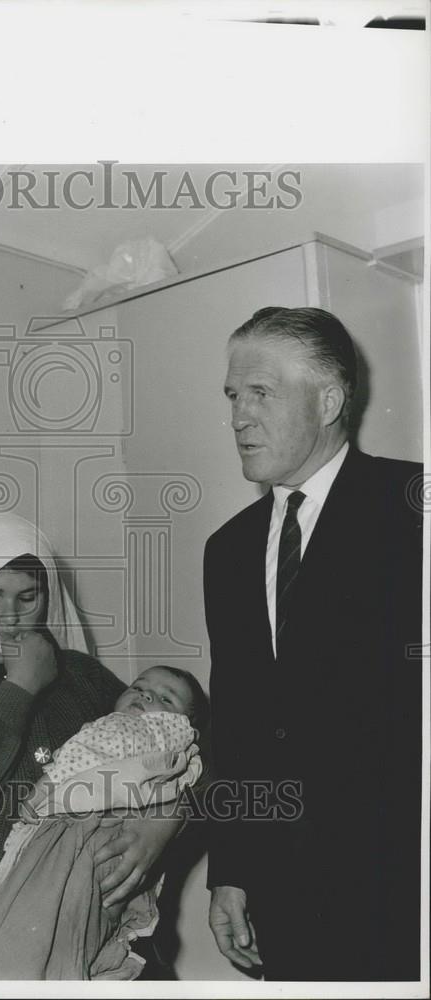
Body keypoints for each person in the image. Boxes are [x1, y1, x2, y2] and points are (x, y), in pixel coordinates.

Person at [204, 306, 422, 981]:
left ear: (328, 401)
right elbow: (236, 722)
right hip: (286, 893)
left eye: (260, 393)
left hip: (404, 881)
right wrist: (230, 870)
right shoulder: (227, 550)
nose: (238, 417)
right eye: (232, 396)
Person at [0, 513, 186, 977]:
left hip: (88, 931)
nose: (11, 616)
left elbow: (187, 748)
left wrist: (163, 823)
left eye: (29, 597)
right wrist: (19, 688)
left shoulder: (82, 675)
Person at [0, 665, 207, 980]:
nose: (145, 694)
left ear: (185, 724)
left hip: (83, 837)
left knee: (33, 942)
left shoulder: (131, 724)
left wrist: (47, 784)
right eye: (138, 686)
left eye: (165, 698)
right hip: (88, 850)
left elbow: (88, 752)